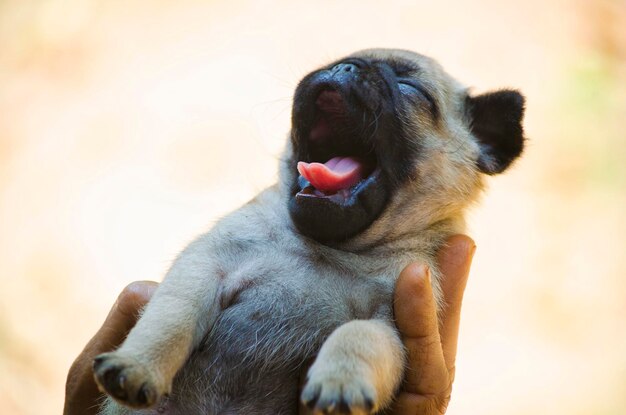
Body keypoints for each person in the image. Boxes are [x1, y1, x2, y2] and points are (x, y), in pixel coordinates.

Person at [64, 235, 475, 415]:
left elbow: (385, 339)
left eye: (410, 91)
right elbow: (201, 275)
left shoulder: (411, 253)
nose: (347, 80)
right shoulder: (265, 212)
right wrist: (150, 356)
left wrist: (354, 364)